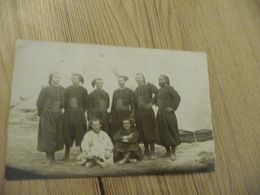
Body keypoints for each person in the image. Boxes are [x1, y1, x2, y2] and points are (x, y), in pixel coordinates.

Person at [36, 72, 65, 164]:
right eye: (56, 77)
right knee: (48, 136)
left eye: (59, 77)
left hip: (58, 115)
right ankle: (49, 158)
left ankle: (53, 158)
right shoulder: (46, 89)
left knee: (56, 136)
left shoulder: (62, 89)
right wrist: (43, 114)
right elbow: (39, 103)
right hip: (47, 115)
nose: (57, 79)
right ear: (51, 78)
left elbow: (63, 103)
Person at [61, 74, 88, 161]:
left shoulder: (83, 90)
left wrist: (79, 111)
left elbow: (85, 104)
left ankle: (83, 154)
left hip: (79, 114)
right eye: (73, 78)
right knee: (68, 133)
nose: (75, 80)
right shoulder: (67, 90)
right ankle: (66, 155)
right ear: (71, 79)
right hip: (68, 114)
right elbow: (64, 103)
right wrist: (70, 110)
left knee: (81, 133)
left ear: (79, 80)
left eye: (77, 78)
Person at [155, 74, 181, 161]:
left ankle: (173, 152)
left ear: (165, 80)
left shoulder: (169, 88)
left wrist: (172, 107)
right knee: (163, 132)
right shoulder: (159, 90)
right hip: (160, 113)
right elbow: (155, 100)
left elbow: (177, 97)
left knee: (171, 131)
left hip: (168, 113)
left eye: (161, 79)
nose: (159, 81)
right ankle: (168, 151)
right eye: (159, 79)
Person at [134, 73, 158, 159]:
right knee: (142, 130)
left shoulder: (149, 85)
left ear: (143, 78)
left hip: (147, 111)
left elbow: (158, 92)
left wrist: (152, 103)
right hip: (139, 112)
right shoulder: (136, 90)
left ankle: (152, 151)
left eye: (140, 78)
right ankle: (146, 150)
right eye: (137, 78)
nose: (138, 79)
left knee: (149, 130)